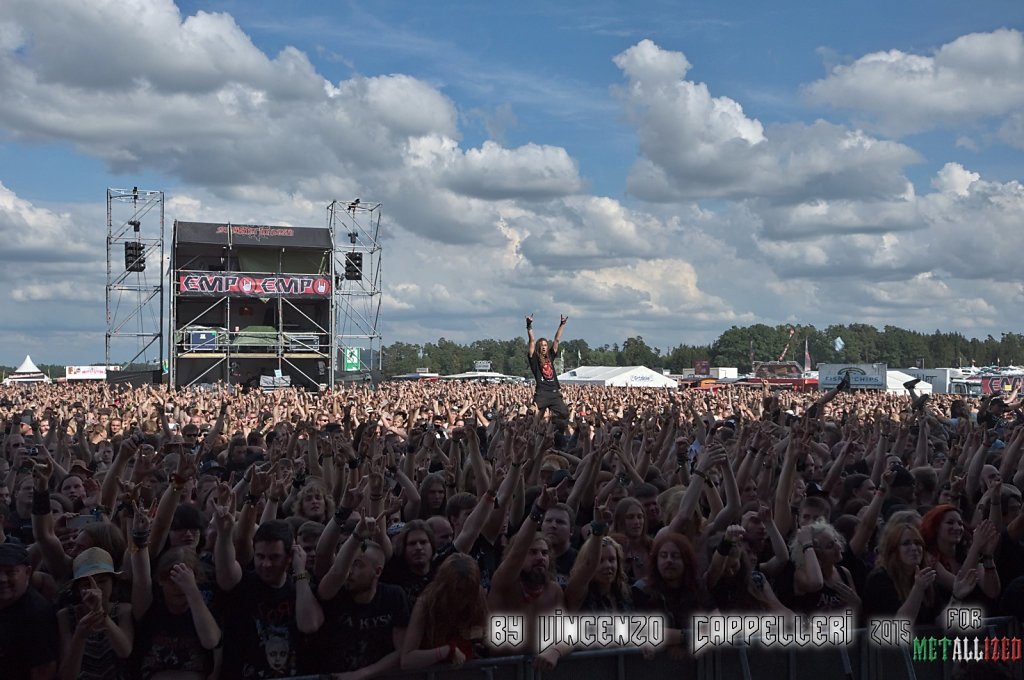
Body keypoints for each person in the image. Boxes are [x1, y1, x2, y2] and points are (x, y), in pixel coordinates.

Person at [213, 514, 323, 680]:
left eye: (274, 557)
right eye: (260, 556)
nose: (266, 564)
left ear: (289, 557)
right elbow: (225, 570)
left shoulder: (301, 587)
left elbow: (309, 625)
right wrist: (224, 533)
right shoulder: (243, 583)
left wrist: (300, 571)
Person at [400, 554, 488, 671]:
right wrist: (447, 651)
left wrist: (482, 635)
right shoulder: (427, 602)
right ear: (445, 587)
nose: (463, 598)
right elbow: (407, 661)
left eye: (468, 591)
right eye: (459, 590)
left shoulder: (477, 595)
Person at [0, 542, 59, 680]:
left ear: (27, 572)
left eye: (10, 572)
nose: (1, 579)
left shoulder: (37, 615)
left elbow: (44, 670)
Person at [526, 314, 569, 421]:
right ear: (538, 347)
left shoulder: (550, 356)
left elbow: (557, 340)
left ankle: (553, 425)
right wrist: (529, 325)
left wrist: (562, 324)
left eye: (545, 345)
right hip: (542, 393)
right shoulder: (534, 359)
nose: (544, 347)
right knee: (532, 414)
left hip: (554, 392)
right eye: (542, 345)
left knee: (565, 414)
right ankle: (531, 430)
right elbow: (532, 341)